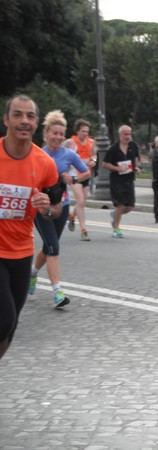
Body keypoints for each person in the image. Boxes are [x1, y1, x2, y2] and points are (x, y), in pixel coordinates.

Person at [0, 94, 64, 361]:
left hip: (22, 252)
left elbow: (56, 209)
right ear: (6, 119)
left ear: (37, 123)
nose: (24, 121)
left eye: (30, 116)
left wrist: (46, 207)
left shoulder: (45, 164)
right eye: (18, 114)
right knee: (4, 319)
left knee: (9, 328)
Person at [29, 110, 91, 307]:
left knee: (49, 246)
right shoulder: (37, 154)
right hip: (41, 208)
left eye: (60, 133)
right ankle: (57, 292)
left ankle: (32, 273)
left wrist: (73, 179)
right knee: (54, 246)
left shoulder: (69, 155)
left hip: (62, 206)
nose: (57, 137)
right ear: (46, 133)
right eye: (54, 133)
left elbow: (86, 172)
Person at [102, 124, 141, 238]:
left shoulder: (133, 146)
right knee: (121, 205)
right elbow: (105, 164)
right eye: (125, 134)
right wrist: (118, 168)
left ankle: (115, 215)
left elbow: (135, 159)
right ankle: (116, 228)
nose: (128, 136)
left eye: (130, 134)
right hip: (117, 180)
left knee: (130, 207)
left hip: (129, 179)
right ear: (120, 135)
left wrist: (137, 168)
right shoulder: (114, 148)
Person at [67, 119, 97, 241]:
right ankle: (84, 231)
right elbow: (63, 153)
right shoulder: (71, 142)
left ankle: (72, 215)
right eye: (83, 131)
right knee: (80, 201)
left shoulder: (92, 142)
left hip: (86, 175)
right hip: (75, 176)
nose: (85, 134)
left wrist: (94, 161)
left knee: (82, 202)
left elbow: (94, 155)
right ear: (77, 131)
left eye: (87, 132)